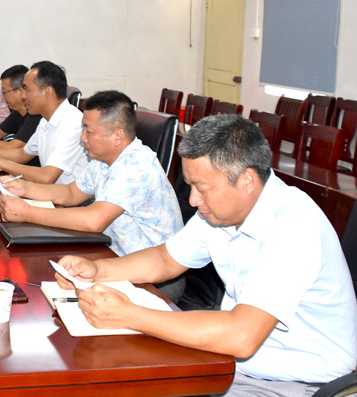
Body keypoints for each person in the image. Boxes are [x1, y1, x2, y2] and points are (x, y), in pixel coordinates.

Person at [55, 114, 357, 396]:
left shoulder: (293, 226)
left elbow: (242, 335)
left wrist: (129, 315)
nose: (193, 200)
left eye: (202, 188)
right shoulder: (220, 212)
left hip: (296, 382)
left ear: (247, 180)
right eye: (190, 186)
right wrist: (98, 270)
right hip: (232, 360)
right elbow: (166, 259)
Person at [0, 90, 183, 300]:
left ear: (118, 135)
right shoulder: (103, 159)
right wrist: (24, 188)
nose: (82, 138)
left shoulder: (136, 165)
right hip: (113, 257)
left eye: (89, 130)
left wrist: (28, 213)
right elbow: (71, 193)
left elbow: (93, 220)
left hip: (154, 279)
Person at [0, 61, 88, 184]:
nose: (23, 96)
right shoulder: (45, 121)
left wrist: (0, 162)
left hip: (64, 195)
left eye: (27, 89)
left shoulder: (72, 124)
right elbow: (22, 154)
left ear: (47, 91)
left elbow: (46, 177)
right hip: (50, 191)